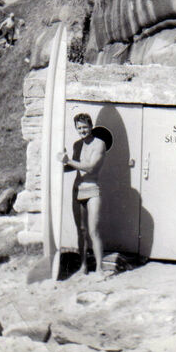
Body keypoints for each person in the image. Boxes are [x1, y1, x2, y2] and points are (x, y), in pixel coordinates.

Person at [58, 113, 106, 275]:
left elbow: (90, 167)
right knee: (82, 231)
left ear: (91, 126)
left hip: (92, 190)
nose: (82, 130)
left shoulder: (99, 144)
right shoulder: (77, 145)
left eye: (85, 127)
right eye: (79, 128)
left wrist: (68, 161)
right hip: (77, 190)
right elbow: (74, 166)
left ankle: (99, 269)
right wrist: (60, 164)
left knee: (94, 231)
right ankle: (83, 266)